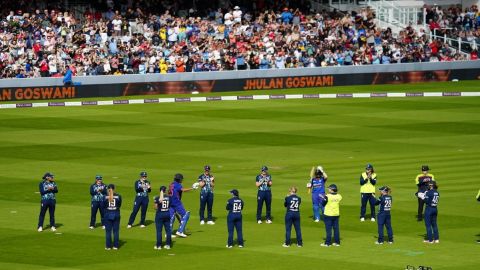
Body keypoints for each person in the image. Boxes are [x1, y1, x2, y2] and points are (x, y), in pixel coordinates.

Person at [169, 173, 198, 238]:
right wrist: (192, 188)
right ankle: (180, 231)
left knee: (171, 217)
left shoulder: (172, 184)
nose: (182, 180)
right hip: (176, 202)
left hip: (170, 202)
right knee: (185, 215)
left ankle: (168, 233)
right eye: (181, 179)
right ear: (179, 179)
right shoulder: (178, 184)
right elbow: (183, 190)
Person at [104, 184, 122, 250]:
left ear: (108, 189)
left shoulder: (105, 196)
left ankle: (108, 246)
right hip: (116, 213)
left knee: (108, 231)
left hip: (108, 214)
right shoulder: (119, 196)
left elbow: (103, 205)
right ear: (114, 189)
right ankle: (116, 246)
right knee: (116, 231)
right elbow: (119, 205)